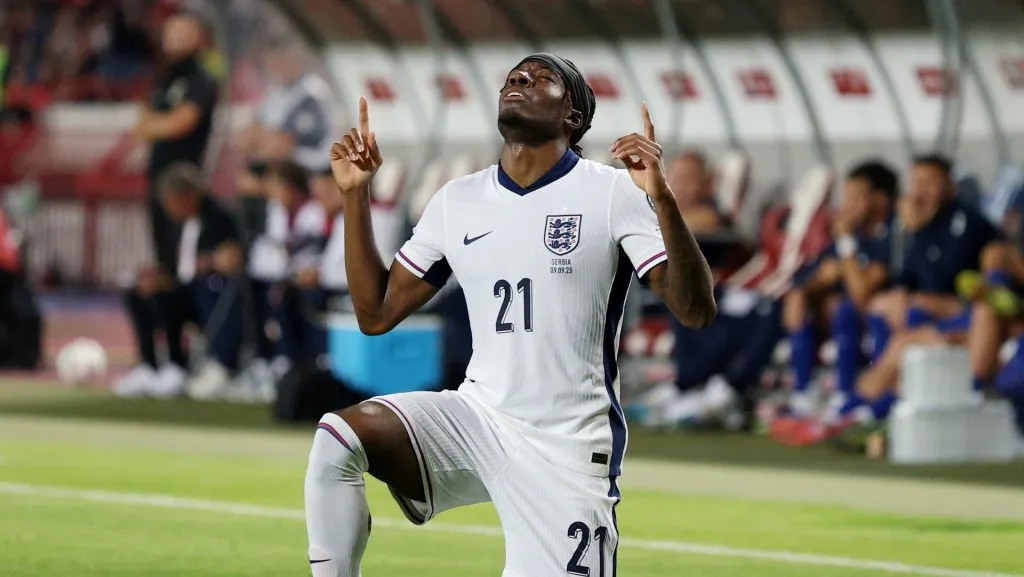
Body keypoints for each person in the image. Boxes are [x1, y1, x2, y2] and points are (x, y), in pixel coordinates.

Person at [303, 53, 716, 576]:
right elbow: (375, 313)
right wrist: (355, 194)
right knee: (338, 438)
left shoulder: (613, 191)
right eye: (514, 76)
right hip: (479, 419)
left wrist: (663, 198)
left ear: (572, 115)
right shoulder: (457, 200)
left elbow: (695, 309)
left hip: (566, 446)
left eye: (542, 78)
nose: (520, 79)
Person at [113, 163, 244, 399]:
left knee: (167, 298)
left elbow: (231, 257)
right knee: (138, 293)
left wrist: (210, 261)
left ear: (190, 195)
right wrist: (158, 275)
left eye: (172, 200)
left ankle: (178, 364)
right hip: (184, 288)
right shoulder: (176, 225)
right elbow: (177, 267)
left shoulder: (219, 217)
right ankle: (149, 365)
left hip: (206, 291)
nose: (168, 207)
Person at [779, 161, 898, 416]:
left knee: (844, 310)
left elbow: (862, 292)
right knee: (797, 301)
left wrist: (845, 242)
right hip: (847, 313)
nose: (847, 206)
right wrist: (802, 292)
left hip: (882, 315)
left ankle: (847, 394)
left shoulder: (892, 234)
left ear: (880, 198)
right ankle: (803, 394)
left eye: (856, 198)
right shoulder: (856, 234)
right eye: (847, 198)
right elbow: (820, 272)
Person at [133, 12, 218, 280]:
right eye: (172, 33)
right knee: (162, 248)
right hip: (158, 174)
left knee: (182, 245)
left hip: (183, 175)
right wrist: (157, 124)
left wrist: (157, 125)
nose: (176, 39)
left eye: (183, 33)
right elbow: (142, 122)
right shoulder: (163, 77)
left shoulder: (201, 78)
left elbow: (182, 121)